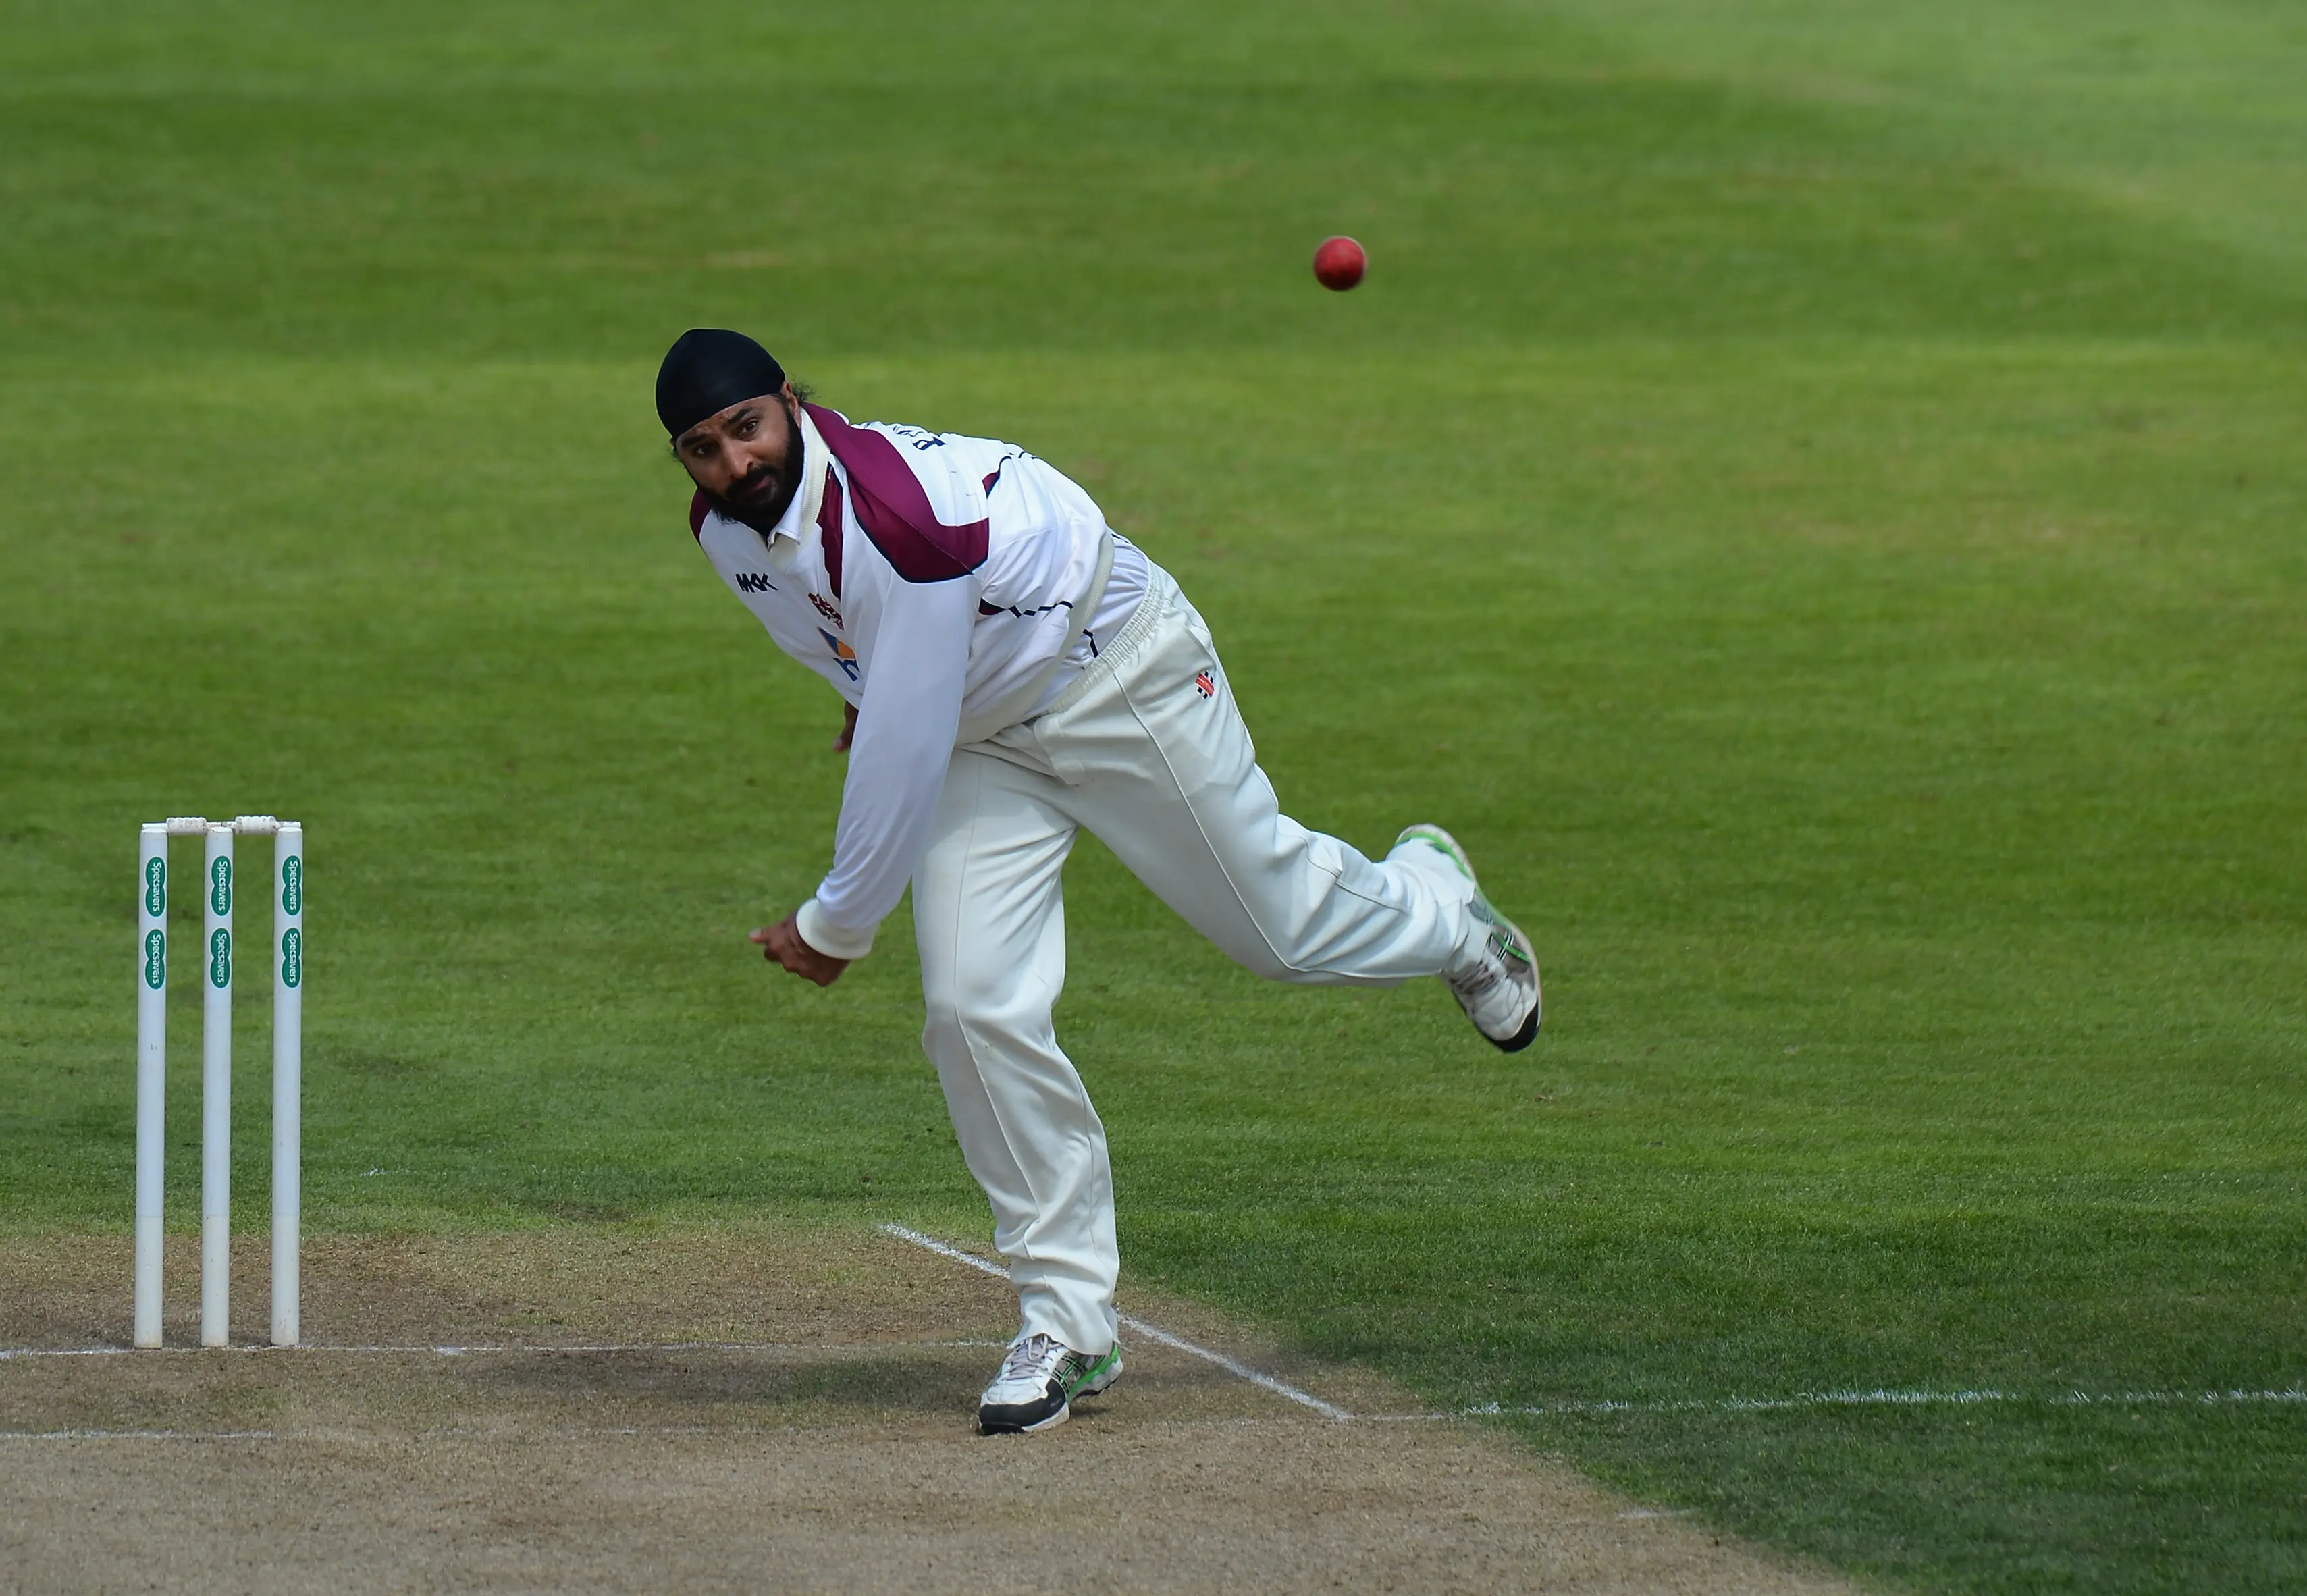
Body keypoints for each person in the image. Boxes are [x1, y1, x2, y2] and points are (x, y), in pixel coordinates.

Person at [657, 328, 1540, 1435]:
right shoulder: (728, 532)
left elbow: (902, 743)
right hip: (988, 735)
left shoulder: (897, 516)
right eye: (703, 448)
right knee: (973, 1007)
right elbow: (860, 655)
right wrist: (863, 685)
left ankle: (1446, 911)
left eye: (747, 427)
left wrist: (839, 925)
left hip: (1114, 669)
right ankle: (1068, 1322)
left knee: (1285, 934)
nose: (736, 463)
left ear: (790, 400)